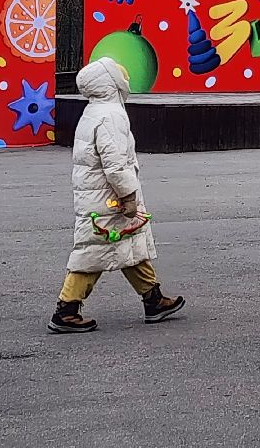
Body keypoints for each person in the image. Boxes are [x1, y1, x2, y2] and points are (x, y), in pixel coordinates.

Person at [48, 56, 185, 333]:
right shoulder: (111, 115)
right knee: (95, 250)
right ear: (112, 83)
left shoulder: (94, 111)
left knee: (127, 242)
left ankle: (153, 299)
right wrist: (128, 195)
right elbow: (116, 164)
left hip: (98, 193)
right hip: (109, 196)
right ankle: (67, 309)